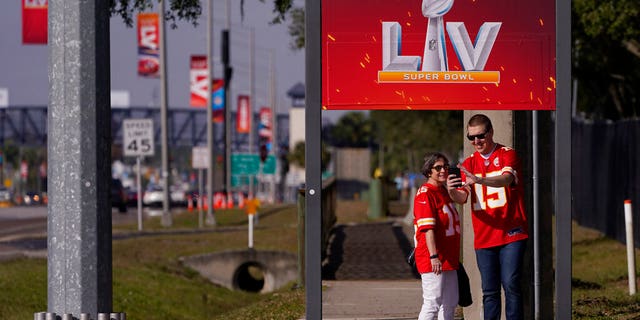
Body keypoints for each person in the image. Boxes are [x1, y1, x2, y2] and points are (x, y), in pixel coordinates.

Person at [447, 114, 529, 320]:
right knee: (489, 290)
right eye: (471, 138)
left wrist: (480, 180)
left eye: (481, 136)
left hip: (512, 232)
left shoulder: (507, 154)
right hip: (484, 236)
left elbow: (506, 178)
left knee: (511, 283)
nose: (476, 142)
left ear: (491, 132)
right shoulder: (468, 163)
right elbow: (463, 198)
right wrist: (451, 190)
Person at [413, 152, 461, 320]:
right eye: (438, 167)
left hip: (449, 257)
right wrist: (434, 256)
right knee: (432, 303)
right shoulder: (425, 193)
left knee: (450, 302)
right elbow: (428, 229)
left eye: (446, 167)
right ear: (428, 171)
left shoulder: (445, 192)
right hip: (433, 256)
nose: (443, 171)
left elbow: (463, 199)